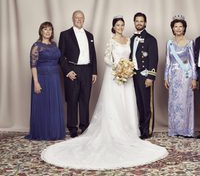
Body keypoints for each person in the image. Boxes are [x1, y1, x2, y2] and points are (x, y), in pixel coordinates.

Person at [41, 16, 168, 170]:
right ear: (113, 27)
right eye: (117, 25)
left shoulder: (129, 40)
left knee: (127, 103)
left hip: (128, 77)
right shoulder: (111, 40)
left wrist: (127, 68)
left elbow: (133, 58)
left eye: (122, 24)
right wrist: (118, 66)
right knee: (113, 103)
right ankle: (106, 131)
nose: (120, 27)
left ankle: (132, 130)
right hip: (114, 75)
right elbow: (106, 58)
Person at [58, 10, 97, 138]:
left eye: (81, 18)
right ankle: (72, 127)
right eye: (76, 17)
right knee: (72, 99)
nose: (79, 19)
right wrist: (68, 71)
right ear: (72, 19)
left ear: (84, 19)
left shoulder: (90, 35)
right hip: (73, 69)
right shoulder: (65, 35)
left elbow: (93, 55)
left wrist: (94, 72)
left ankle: (85, 126)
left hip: (87, 70)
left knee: (85, 99)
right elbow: (61, 56)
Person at [25, 22, 66, 140]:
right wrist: (36, 82)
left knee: (53, 105)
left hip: (55, 78)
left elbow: (59, 60)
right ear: (41, 31)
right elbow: (33, 65)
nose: (48, 32)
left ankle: (53, 132)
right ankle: (42, 133)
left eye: (50, 30)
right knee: (42, 105)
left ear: (52, 32)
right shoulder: (36, 46)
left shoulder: (54, 45)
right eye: (45, 29)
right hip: (42, 78)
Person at [164, 15, 197, 137]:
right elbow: (167, 61)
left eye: (180, 26)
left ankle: (186, 130)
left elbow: (193, 62)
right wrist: (166, 77)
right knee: (174, 103)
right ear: (172, 28)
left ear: (184, 28)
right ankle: (175, 130)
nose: (178, 29)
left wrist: (194, 78)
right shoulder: (169, 43)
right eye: (175, 26)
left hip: (186, 76)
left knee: (186, 102)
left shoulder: (189, 42)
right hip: (173, 76)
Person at [130, 12, 158, 139]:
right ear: (134, 22)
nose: (139, 23)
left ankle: (147, 130)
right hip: (134, 75)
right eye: (137, 21)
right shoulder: (131, 39)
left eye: (141, 21)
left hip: (145, 75)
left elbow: (153, 59)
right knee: (139, 103)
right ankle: (141, 128)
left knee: (147, 104)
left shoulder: (151, 39)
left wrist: (150, 77)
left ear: (145, 23)